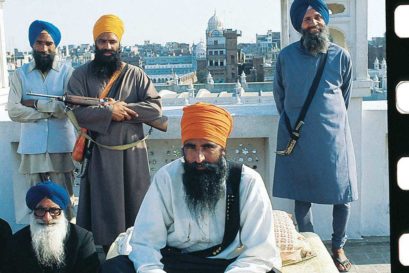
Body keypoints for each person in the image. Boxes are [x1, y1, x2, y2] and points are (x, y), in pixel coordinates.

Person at [100, 102, 282, 273]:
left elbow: (260, 251)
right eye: (191, 148)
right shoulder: (167, 177)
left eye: (208, 147)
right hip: (174, 262)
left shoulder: (247, 181)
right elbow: (146, 242)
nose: (199, 158)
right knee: (114, 268)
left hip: (225, 265)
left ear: (222, 149)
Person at [272, 0, 357, 272]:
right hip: (298, 135)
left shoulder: (341, 56)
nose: (314, 23)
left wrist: (328, 121)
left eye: (318, 17)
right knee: (302, 194)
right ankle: (311, 244)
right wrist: (297, 124)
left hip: (334, 137)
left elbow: (344, 97)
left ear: (325, 20)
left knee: (342, 194)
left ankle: (338, 246)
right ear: (299, 25)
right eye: (307, 19)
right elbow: (280, 97)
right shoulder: (285, 57)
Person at [66, 14, 162, 251]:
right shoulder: (80, 75)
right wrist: (109, 112)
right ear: (94, 44)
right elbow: (75, 111)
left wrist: (122, 109)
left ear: (120, 44)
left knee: (136, 206)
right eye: (102, 42)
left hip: (133, 153)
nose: (108, 47)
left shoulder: (136, 74)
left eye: (112, 42)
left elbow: (155, 108)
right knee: (104, 209)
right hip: (100, 154)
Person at [7, 20, 76, 222]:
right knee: (35, 203)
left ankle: (69, 246)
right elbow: (14, 111)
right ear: (32, 45)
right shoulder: (20, 74)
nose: (44, 48)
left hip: (61, 147)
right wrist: (49, 111)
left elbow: (67, 108)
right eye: (39, 43)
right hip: (32, 148)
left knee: (64, 202)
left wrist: (36, 104)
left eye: (49, 44)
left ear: (55, 46)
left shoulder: (67, 73)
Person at [4, 181, 100, 273]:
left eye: (54, 210)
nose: (47, 218)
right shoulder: (18, 241)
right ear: (33, 212)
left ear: (62, 211)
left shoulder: (83, 239)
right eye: (40, 210)